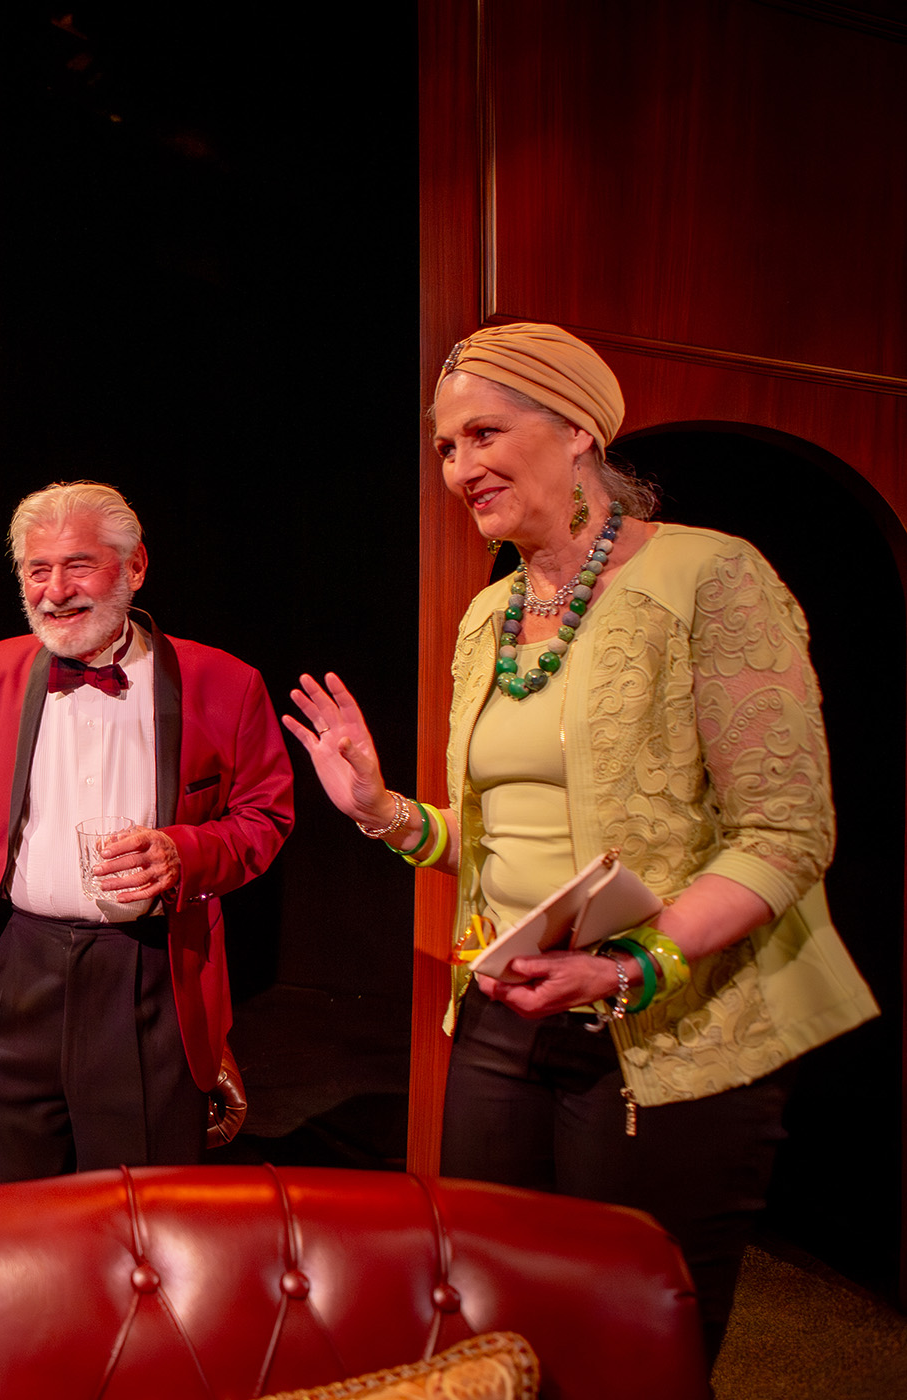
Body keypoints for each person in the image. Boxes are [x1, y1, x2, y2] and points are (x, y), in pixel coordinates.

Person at [282, 322, 878, 1357]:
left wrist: (635, 965)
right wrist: (382, 810)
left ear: (577, 432)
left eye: (484, 434)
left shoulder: (709, 575)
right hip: (506, 1017)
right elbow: (492, 840)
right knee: (493, 1321)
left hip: (666, 1025)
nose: (459, 467)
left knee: (630, 1346)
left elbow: (786, 831)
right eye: (446, 447)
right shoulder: (492, 615)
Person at [0, 481, 295, 1187]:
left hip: (147, 977)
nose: (55, 591)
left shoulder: (225, 682)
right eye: (38, 570)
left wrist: (184, 853)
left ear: (134, 568)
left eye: (79, 566)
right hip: (10, 971)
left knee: (138, 1220)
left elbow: (266, 816)